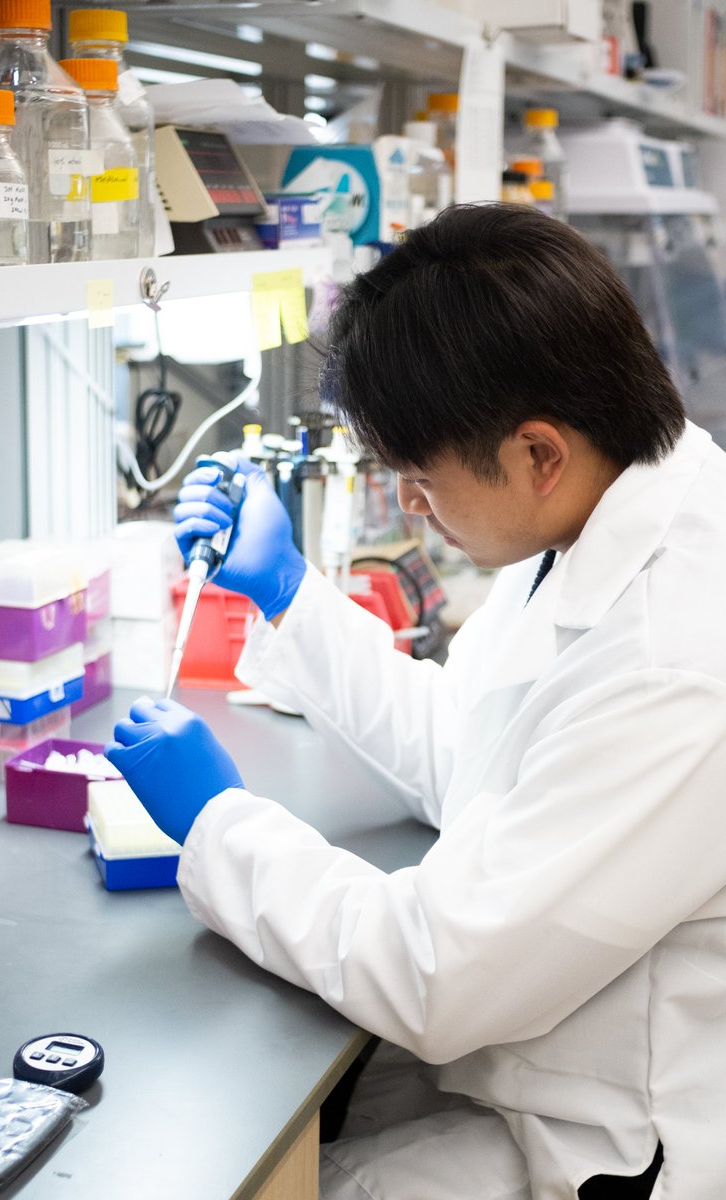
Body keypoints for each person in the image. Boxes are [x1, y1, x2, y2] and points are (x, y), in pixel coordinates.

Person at [106, 203, 726, 1200]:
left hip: (599, 1149)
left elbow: (433, 972)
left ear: (536, 454)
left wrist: (217, 823)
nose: (408, 506)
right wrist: (291, 598)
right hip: (524, 1066)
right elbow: (470, 753)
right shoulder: (592, 522)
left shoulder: (678, 658)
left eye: (418, 478)